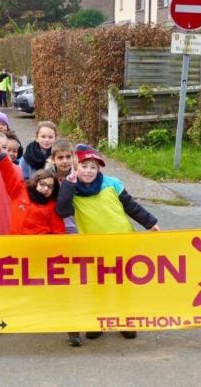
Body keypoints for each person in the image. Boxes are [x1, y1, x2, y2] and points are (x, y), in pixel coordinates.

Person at [56, 144, 160, 341]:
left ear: (99, 169)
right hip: (94, 246)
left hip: (121, 241)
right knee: (99, 286)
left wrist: (150, 222)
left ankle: (125, 321)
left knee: (122, 285)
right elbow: (62, 210)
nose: (88, 171)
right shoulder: (71, 189)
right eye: (84, 166)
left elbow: (131, 206)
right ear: (76, 167)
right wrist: (69, 184)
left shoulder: (113, 184)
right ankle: (98, 322)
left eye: (93, 167)